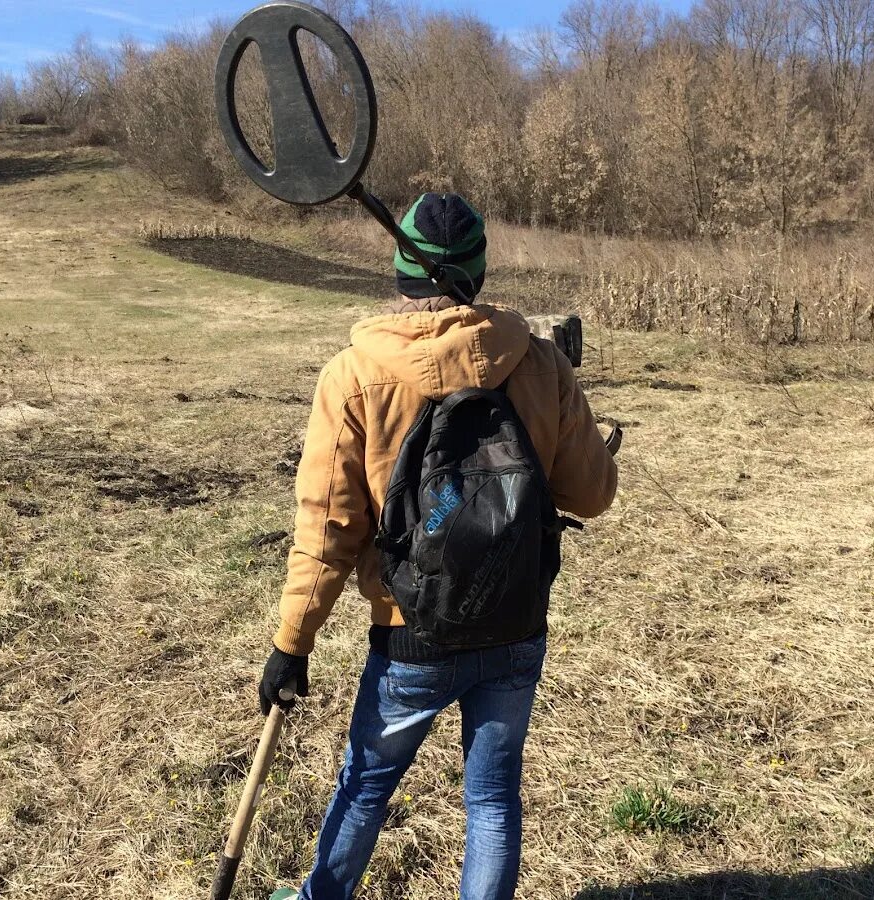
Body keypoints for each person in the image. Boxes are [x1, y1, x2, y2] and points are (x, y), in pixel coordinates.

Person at [260, 193, 618, 900]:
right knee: (492, 799)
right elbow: (592, 495)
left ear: (402, 275)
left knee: (365, 786)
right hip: (516, 620)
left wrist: (292, 642)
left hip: (411, 631)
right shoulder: (541, 363)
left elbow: (329, 529)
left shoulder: (353, 376)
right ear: (478, 275)